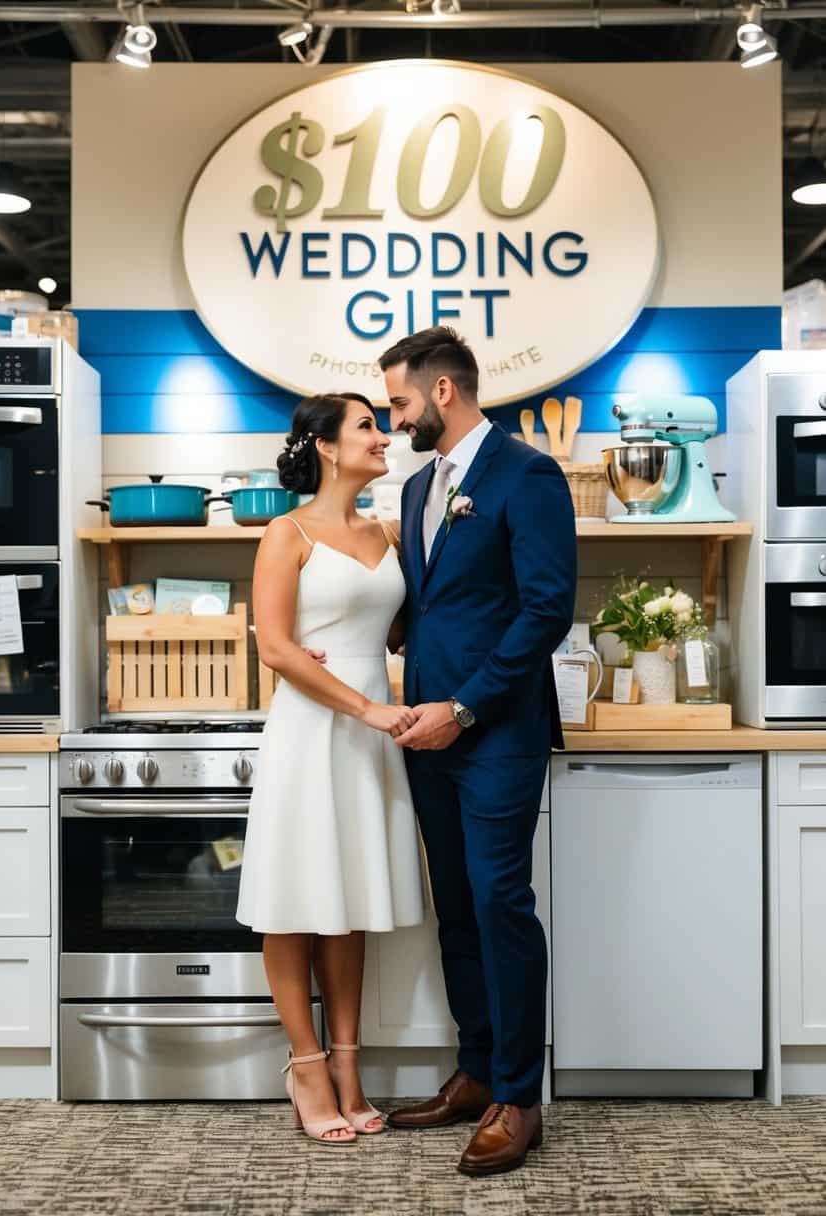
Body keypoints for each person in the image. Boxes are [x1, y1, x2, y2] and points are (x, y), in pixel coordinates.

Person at [381, 327, 577, 1177]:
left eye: (399, 403)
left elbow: (544, 609)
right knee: (455, 907)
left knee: (500, 902)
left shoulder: (527, 475)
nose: (394, 421)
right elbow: (433, 608)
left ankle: (518, 1100)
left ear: (444, 393)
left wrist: (462, 707)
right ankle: (476, 1071)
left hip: (493, 729)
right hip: (423, 730)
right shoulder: (423, 482)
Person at [236, 391, 425, 1145]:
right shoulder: (286, 533)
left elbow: (409, 625)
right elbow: (275, 647)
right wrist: (365, 706)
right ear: (324, 445)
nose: (383, 437)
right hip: (316, 727)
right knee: (294, 901)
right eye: (367, 427)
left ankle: (349, 1065)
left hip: (370, 727)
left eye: (381, 424)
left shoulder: (390, 531)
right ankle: (306, 1065)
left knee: (346, 899)